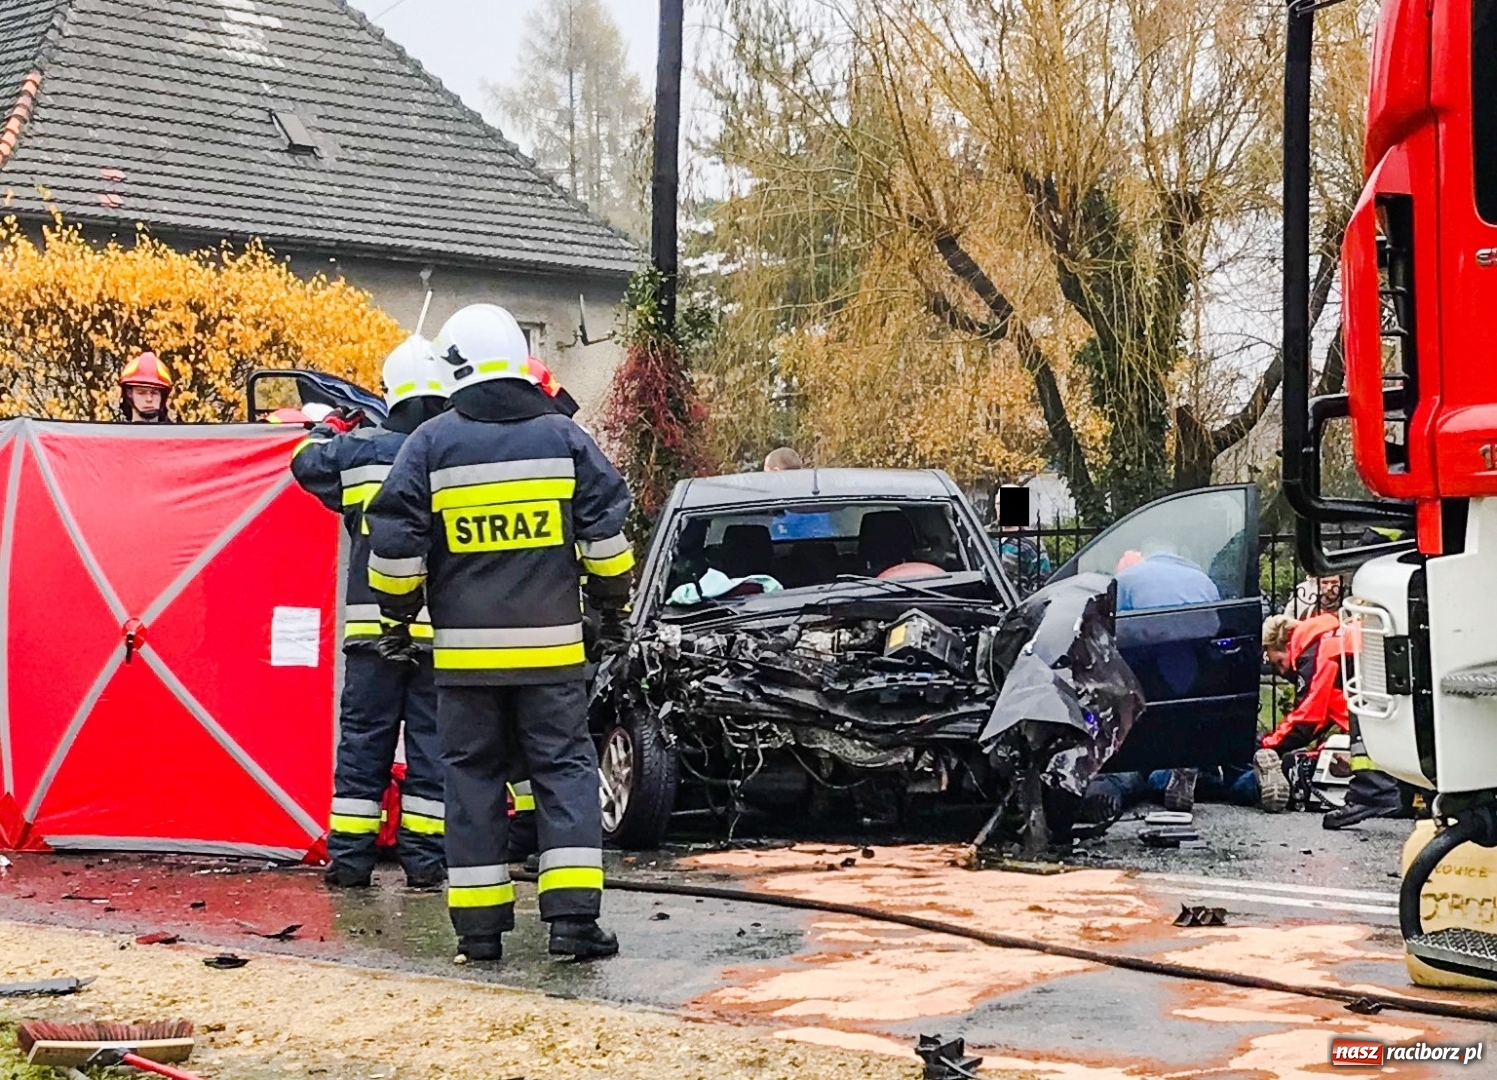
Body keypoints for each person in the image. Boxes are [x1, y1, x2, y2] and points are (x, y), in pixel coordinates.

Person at [366, 303, 634, 963]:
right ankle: (572, 923)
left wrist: (397, 619)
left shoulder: (429, 445)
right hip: (552, 658)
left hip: (465, 665)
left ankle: (479, 932)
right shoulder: (565, 439)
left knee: (472, 782)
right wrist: (610, 611)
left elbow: (395, 550)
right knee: (564, 772)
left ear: (455, 366)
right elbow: (606, 541)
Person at [290, 336, 449, 889]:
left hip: (371, 633)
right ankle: (425, 864)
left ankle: (351, 861)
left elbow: (303, 462)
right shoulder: (454, 449)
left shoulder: (357, 451)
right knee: (433, 752)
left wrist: (333, 423)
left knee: (363, 747)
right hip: (438, 637)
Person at [1260, 613, 1403, 826]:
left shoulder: (1318, 650)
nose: (1283, 671)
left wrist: (1266, 745)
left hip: (1372, 708)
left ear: (1287, 644)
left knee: (1362, 712)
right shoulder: (1335, 638)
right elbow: (1325, 711)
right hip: (1392, 693)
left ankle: (1373, 792)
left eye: (1280, 662)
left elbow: (1308, 718)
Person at [119, 351, 174, 423]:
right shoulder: (113, 430)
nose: (149, 399)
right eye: (141, 393)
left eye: (154, 393)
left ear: (162, 396)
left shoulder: (180, 431)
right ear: (129, 394)